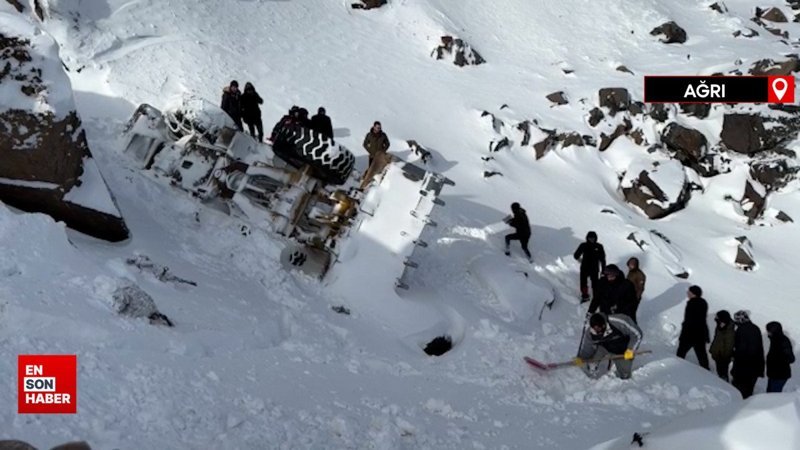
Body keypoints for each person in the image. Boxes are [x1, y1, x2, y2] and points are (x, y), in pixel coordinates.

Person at [577, 312, 643, 380]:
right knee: (593, 360)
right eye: (594, 329)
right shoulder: (590, 332)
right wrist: (581, 358)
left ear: (603, 325)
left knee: (625, 374)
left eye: (598, 329)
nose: (596, 332)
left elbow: (637, 334)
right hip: (605, 347)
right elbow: (587, 347)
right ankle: (591, 374)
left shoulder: (618, 321)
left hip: (623, 350)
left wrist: (630, 350)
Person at [731, 310, 765, 399]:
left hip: (743, 368)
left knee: (739, 392)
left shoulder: (741, 330)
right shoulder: (755, 328)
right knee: (749, 390)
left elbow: (741, 350)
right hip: (755, 366)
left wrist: (733, 356)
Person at [676, 285, 710, 370]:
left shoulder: (692, 303)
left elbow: (689, 320)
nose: (687, 293)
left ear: (694, 293)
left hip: (690, 334)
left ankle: (676, 368)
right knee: (702, 355)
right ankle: (707, 371)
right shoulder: (703, 302)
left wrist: (683, 334)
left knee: (681, 353)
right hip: (701, 333)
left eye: (689, 292)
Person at [573, 232, 606, 303]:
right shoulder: (583, 245)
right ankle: (585, 296)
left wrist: (603, 271)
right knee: (583, 283)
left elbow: (602, 260)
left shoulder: (599, 246)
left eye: (593, 238)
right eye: (590, 238)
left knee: (595, 284)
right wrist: (580, 259)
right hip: (585, 267)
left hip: (594, 268)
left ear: (596, 238)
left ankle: (596, 298)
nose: (592, 239)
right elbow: (576, 255)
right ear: (587, 238)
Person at [360, 121, 391, 188]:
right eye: (377, 127)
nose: (378, 129)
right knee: (370, 169)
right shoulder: (369, 135)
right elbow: (365, 144)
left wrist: (383, 151)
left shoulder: (383, 135)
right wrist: (370, 151)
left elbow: (388, 144)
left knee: (378, 170)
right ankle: (364, 183)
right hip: (372, 156)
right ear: (374, 127)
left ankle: (373, 183)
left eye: (379, 128)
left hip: (380, 157)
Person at [766, 321, 794, 393]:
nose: (767, 333)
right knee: (769, 395)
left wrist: (777, 361)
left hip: (780, 375)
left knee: (774, 396)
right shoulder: (774, 340)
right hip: (774, 374)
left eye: (768, 331)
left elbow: (791, 358)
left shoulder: (783, 341)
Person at [709, 310, 735, 381]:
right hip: (718, 355)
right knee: (719, 372)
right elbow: (716, 339)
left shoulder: (729, 330)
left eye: (718, 317)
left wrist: (725, 357)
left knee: (723, 374)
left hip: (724, 357)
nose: (716, 319)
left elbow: (729, 345)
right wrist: (712, 349)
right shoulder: (719, 326)